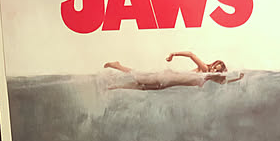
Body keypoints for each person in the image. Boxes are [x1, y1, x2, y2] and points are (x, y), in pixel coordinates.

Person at [103, 52, 244, 90]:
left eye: (217, 70)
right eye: (214, 67)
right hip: (167, 77)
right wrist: (173, 54)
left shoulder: (209, 78)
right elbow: (191, 54)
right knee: (140, 78)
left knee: (142, 87)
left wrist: (238, 78)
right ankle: (117, 66)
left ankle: (115, 86)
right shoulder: (204, 69)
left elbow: (224, 81)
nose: (213, 71)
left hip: (167, 84)